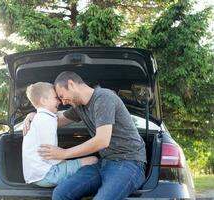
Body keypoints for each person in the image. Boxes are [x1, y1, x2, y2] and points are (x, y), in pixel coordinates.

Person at [23, 72, 146, 200]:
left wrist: (64, 153)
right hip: (104, 163)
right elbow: (56, 121)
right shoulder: (79, 107)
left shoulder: (103, 97)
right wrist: (36, 115)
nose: (63, 102)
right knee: (60, 194)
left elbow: (102, 141)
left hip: (129, 163)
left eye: (62, 96)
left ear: (71, 84)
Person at [22, 82, 98, 188]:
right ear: (43, 101)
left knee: (75, 163)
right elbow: (50, 154)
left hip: (35, 176)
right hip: (49, 175)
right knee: (93, 160)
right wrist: (67, 162)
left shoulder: (39, 119)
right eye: (56, 98)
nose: (60, 101)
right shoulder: (46, 120)